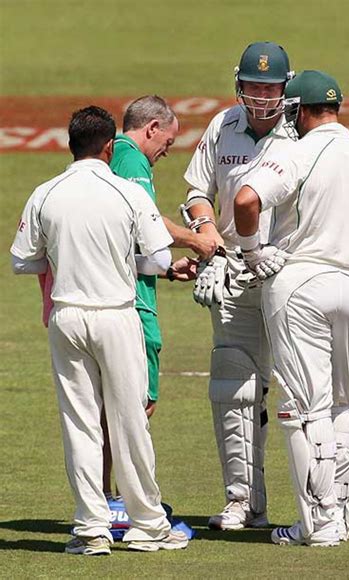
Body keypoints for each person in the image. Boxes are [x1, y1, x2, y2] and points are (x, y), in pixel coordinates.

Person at [10, 106, 189, 555]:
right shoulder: (127, 192)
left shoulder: (46, 193)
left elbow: (22, 259)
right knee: (128, 422)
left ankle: (91, 530)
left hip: (67, 316)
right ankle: (148, 526)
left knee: (81, 424)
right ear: (109, 145)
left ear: (71, 144)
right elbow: (160, 258)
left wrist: (63, 264)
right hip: (116, 315)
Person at [233, 70, 349, 547]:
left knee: (305, 409)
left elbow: (246, 201)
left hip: (298, 284)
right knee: (346, 400)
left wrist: (251, 252)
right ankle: (340, 515)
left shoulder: (295, 152)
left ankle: (317, 525)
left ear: (302, 111)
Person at [182, 41, 294, 530]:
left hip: (289, 273)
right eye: (253, 86)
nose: (262, 95)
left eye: (270, 87)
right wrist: (206, 230)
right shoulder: (222, 124)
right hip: (232, 271)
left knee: (303, 388)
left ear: (285, 88)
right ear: (239, 85)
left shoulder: (302, 132)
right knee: (233, 387)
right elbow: (196, 191)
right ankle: (242, 502)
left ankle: (327, 506)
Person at [102, 95, 216, 502]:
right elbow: (146, 219)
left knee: (115, 405)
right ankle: (131, 499)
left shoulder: (113, 156)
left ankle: (110, 496)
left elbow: (123, 239)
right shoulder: (131, 157)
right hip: (134, 303)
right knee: (138, 402)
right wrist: (198, 240)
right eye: (167, 142)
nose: (166, 152)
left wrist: (167, 268)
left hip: (121, 287)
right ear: (151, 128)